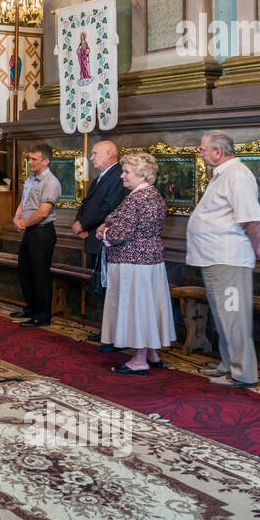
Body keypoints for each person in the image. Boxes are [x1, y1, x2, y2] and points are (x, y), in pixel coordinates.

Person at [185, 130, 260, 387]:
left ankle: (243, 373)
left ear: (218, 152)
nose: (200, 154)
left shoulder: (237, 176)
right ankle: (228, 364)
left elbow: (252, 219)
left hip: (229, 261)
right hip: (215, 259)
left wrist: (256, 248)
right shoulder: (223, 176)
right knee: (224, 316)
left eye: (203, 150)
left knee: (234, 317)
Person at [95, 152, 175, 374]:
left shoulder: (138, 198)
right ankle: (151, 353)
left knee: (137, 309)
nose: (122, 176)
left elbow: (121, 232)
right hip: (150, 260)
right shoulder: (153, 195)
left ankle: (139, 360)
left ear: (142, 174)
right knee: (147, 306)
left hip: (134, 262)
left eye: (127, 172)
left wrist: (104, 232)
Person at [72, 140, 128, 351]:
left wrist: (84, 224)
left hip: (105, 240)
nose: (91, 157)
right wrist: (80, 223)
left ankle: (113, 335)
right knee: (103, 289)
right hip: (94, 237)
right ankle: (107, 331)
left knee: (109, 289)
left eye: (95, 153)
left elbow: (109, 207)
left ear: (109, 154)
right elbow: (86, 203)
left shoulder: (116, 176)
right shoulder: (101, 178)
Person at [11, 143, 62, 327]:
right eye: (29, 158)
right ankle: (31, 307)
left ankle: (42, 315)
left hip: (42, 231)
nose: (30, 162)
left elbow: (43, 212)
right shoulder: (31, 178)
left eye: (34, 159)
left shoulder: (51, 182)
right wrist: (17, 218)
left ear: (46, 161)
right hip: (29, 231)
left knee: (40, 274)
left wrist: (24, 223)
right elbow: (24, 200)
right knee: (25, 271)